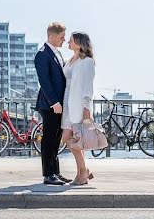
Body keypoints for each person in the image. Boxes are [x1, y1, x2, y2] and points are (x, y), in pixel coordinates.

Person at [34, 22, 69, 186]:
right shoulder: (42, 54)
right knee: (49, 139)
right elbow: (45, 81)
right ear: (52, 37)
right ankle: (48, 174)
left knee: (56, 139)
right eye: (62, 37)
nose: (64, 40)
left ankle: (55, 172)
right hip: (50, 104)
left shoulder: (56, 53)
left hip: (58, 104)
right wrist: (54, 102)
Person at [60, 31, 96, 186]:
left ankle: (82, 173)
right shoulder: (69, 61)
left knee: (71, 139)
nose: (68, 41)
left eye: (71, 40)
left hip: (78, 105)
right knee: (72, 140)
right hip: (67, 102)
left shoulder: (87, 62)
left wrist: (86, 108)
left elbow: (88, 86)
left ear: (79, 43)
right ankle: (83, 172)